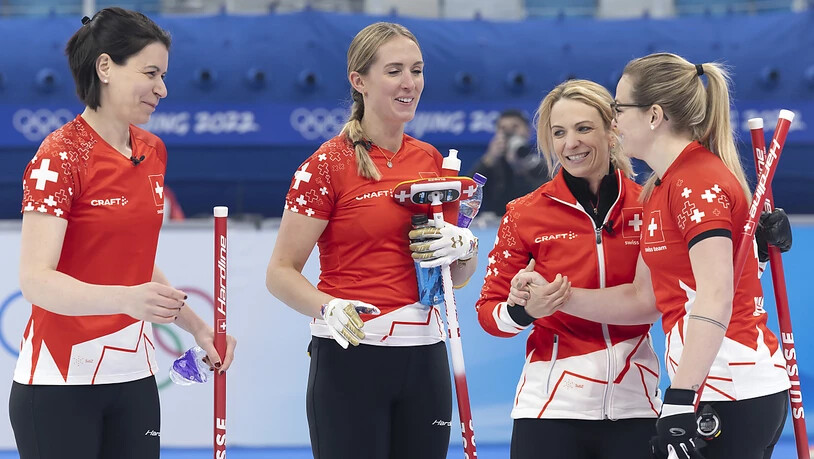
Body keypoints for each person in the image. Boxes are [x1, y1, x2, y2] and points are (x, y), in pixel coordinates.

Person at [510, 53, 791, 459]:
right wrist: (557, 297)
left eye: (619, 109)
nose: (615, 121)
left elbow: (715, 295)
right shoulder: (659, 187)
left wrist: (681, 395)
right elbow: (644, 298)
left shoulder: (697, 181)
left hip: (730, 385)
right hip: (706, 385)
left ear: (654, 115)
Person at [11, 8, 236, 459]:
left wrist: (196, 327)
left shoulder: (152, 150)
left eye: (164, 75)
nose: (162, 89)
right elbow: (35, 279)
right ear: (106, 67)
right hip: (61, 378)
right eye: (151, 73)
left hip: (133, 373)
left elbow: (132, 258)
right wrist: (125, 299)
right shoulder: (60, 156)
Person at [265, 22, 478, 459]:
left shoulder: (431, 160)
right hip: (353, 352)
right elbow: (279, 272)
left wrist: (466, 248)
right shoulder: (327, 164)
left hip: (425, 354)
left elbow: (453, 279)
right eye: (394, 70)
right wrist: (327, 305)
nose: (409, 83)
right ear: (358, 81)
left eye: (417, 70)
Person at [476, 79, 661, 459]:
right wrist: (526, 310)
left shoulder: (650, 205)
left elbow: (680, 288)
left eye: (583, 128)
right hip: (550, 409)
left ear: (613, 131)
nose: (570, 143)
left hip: (636, 403)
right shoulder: (525, 213)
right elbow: (489, 314)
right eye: (559, 133)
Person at [468, 109, 548, 216]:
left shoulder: (538, 165)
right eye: (503, 128)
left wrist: (519, 169)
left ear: (528, 131)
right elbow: (468, 192)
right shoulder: (491, 165)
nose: (509, 133)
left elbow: (541, 200)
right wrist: (488, 160)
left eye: (515, 127)